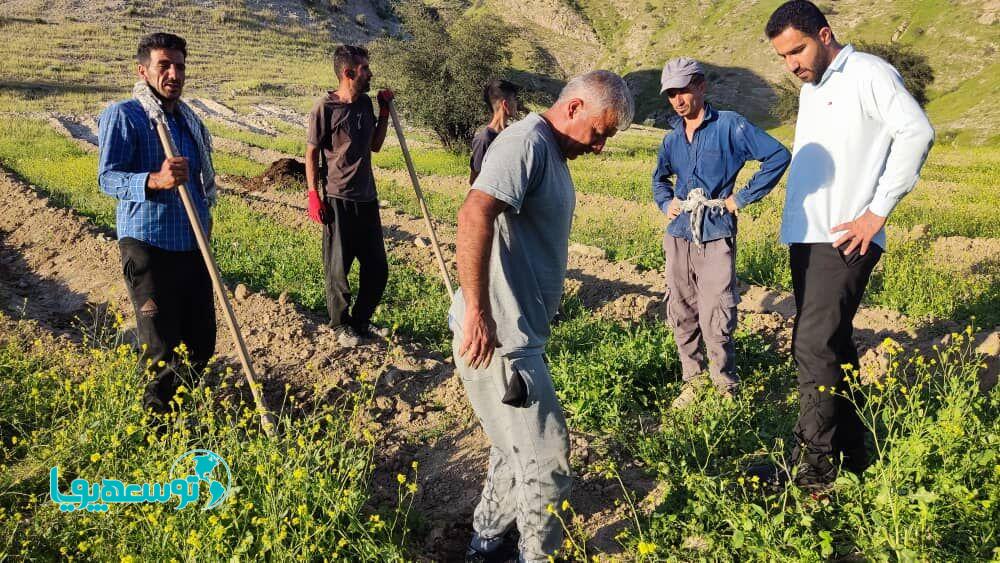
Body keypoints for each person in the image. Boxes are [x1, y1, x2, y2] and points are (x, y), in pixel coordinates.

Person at [452, 70, 633, 563]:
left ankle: (485, 543)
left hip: (515, 332)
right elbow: (474, 213)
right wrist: (478, 313)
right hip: (503, 338)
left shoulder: (548, 151)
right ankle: (535, 556)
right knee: (547, 458)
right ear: (574, 107)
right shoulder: (525, 142)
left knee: (513, 449)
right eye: (599, 132)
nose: (599, 148)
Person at [764, 0, 934, 489]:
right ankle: (855, 455)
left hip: (844, 238)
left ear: (825, 33)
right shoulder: (814, 87)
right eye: (782, 57)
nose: (792, 63)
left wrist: (877, 210)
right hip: (810, 236)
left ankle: (813, 473)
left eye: (798, 50)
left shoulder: (867, 73)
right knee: (832, 344)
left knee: (813, 346)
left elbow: (917, 131)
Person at [652, 57, 790, 408]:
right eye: (671, 94)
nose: (678, 99)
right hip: (679, 232)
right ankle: (693, 382)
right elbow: (659, 179)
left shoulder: (730, 125)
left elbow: (777, 156)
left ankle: (725, 385)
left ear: (700, 85)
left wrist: (739, 198)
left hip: (715, 232)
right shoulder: (671, 139)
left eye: (683, 90)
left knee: (717, 310)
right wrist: (666, 201)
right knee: (681, 309)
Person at [98, 32, 217, 415]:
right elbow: (108, 178)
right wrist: (155, 180)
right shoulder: (126, 115)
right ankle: (158, 427)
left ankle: (182, 410)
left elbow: (199, 185)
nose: (173, 73)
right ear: (143, 70)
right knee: (161, 349)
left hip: (192, 245)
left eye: (179, 66)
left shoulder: (188, 122)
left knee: (201, 343)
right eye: (164, 65)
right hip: (149, 246)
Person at [305, 45, 394, 346]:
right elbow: (311, 153)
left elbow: (376, 146)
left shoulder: (364, 104)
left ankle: (361, 321)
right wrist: (313, 195)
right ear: (348, 73)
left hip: (367, 198)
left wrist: (383, 112)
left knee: (377, 268)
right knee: (338, 269)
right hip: (337, 198)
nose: (370, 73)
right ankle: (340, 325)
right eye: (365, 69)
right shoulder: (325, 108)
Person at [469, 79, 520, 185]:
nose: (516, 104)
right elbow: (475, 181)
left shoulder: (513, 134)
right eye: (514, 100)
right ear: (505, 105)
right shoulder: (483, 140)